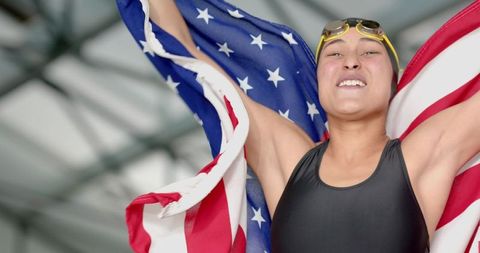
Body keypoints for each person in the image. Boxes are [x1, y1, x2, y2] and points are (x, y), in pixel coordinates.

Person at [146, 1, 480, 252]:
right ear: (319, 81)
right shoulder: (289, 159)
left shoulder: (423, 154)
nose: (351, 61)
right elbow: (185, 53)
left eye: (369, 53)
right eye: (334, 54)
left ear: (392, 84)